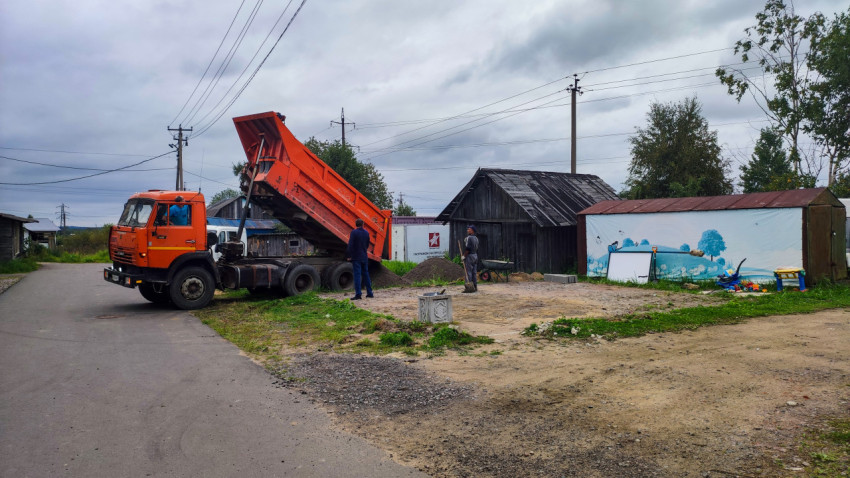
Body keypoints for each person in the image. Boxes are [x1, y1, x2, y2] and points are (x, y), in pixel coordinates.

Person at [346, 218, 373, 300]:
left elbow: (350, 245)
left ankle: (358, 294)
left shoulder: (354, 232)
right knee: (366, 274)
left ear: (356, 224)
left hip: (356, 257)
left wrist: (348, 255)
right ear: (363, 224)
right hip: (364, 256)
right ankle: (370, 293)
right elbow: (368, 244)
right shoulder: (366, 233)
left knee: (357, 275)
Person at [463, 225, 479, 292]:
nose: (467, 230)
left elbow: (468, 248)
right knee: (474, 272)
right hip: (475, 255)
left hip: (470, 256)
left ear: (472, 230)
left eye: (469, 229)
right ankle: (475, 287)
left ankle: (468, 288)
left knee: (468, 272)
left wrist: (464, 256)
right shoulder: (476, 238)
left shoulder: (469, 238)